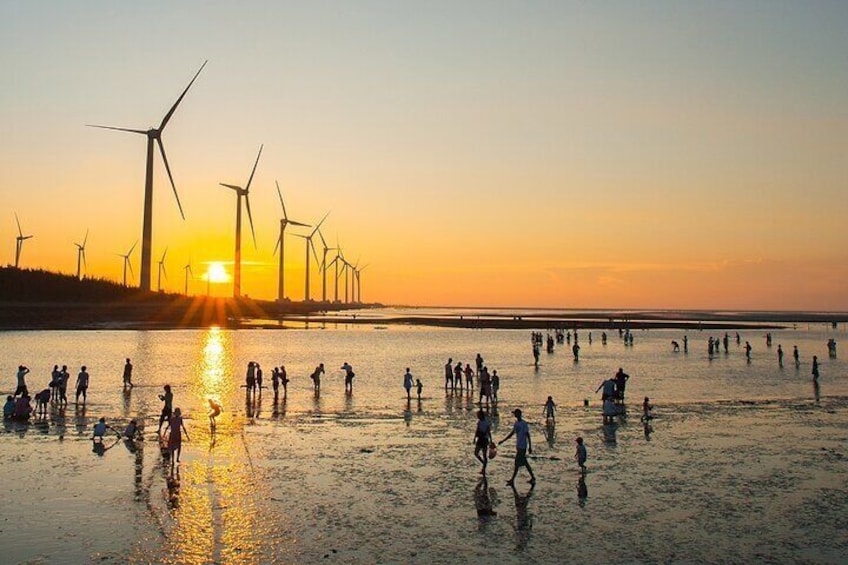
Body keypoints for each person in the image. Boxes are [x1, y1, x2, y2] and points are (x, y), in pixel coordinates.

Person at [499, 409, 535, 486]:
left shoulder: (524, 423)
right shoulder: (516, 424)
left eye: (515, 413)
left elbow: (527, 435)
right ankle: (533, 477)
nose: (514, 414)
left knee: (517, 463)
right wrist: (503, 440)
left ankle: (512, 480)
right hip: (518, 446)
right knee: (524, 463)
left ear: (518, 414)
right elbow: (512, 433)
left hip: (523, 446)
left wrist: (530, 447)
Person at [473, 410, 492, 475]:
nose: (477, 416)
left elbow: (488, 431)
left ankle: (483, 469)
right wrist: (474, 438)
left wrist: (491, 440)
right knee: (476, 453)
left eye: (478, 415)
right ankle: (483, 463)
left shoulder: (486, 422)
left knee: (484, 455)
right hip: (479, 439)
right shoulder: (479, 422)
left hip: (484, 439)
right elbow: (477, 430)